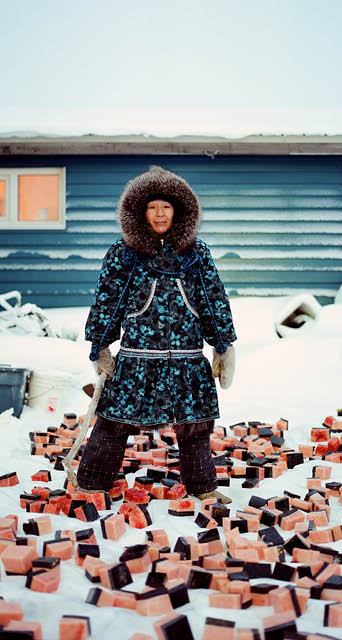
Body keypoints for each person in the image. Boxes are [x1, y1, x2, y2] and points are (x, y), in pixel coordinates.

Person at [77, 165, 237, 503]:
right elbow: (107, 300)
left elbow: (213, 298)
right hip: (137, 358)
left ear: (178, 210)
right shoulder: (124, 254)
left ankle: (203, 488)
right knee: (112, 422)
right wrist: (100, 345)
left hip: (187, 360)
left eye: (166, 206)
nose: (160, 213)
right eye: (152, 207)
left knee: (195, 426)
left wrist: (223, 345)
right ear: (141, 212)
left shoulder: (197, 254)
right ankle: (91, 483)